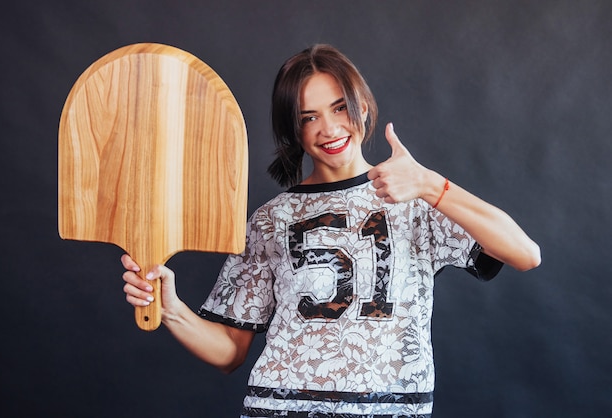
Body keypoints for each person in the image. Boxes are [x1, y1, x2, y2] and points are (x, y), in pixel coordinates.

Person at [122, 44, 541, 417]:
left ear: (362, 105)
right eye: (309, 117)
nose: (329, 128)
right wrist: (170, 308)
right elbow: (231, 353)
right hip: (280, 408)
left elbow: (524, 254)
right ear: (293, 130)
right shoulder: (270, 218)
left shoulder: (415, 198)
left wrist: (432, 186)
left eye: (340, 107)